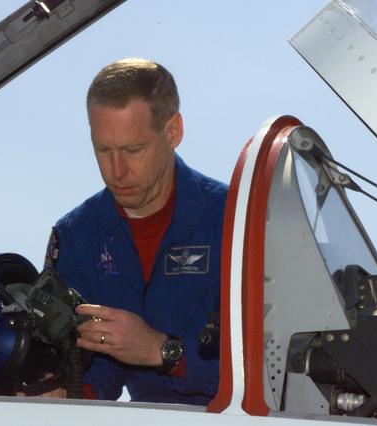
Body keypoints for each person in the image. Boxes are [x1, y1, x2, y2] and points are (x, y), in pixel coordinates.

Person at [44, 58, 227, 405]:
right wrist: (70, 392)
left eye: (133, 150)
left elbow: (271, 361)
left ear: (173, 132)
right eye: (103, 150)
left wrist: (163, 351)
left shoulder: (234, 221)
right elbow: (88, 362)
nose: (116, 171)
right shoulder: (77, 236)